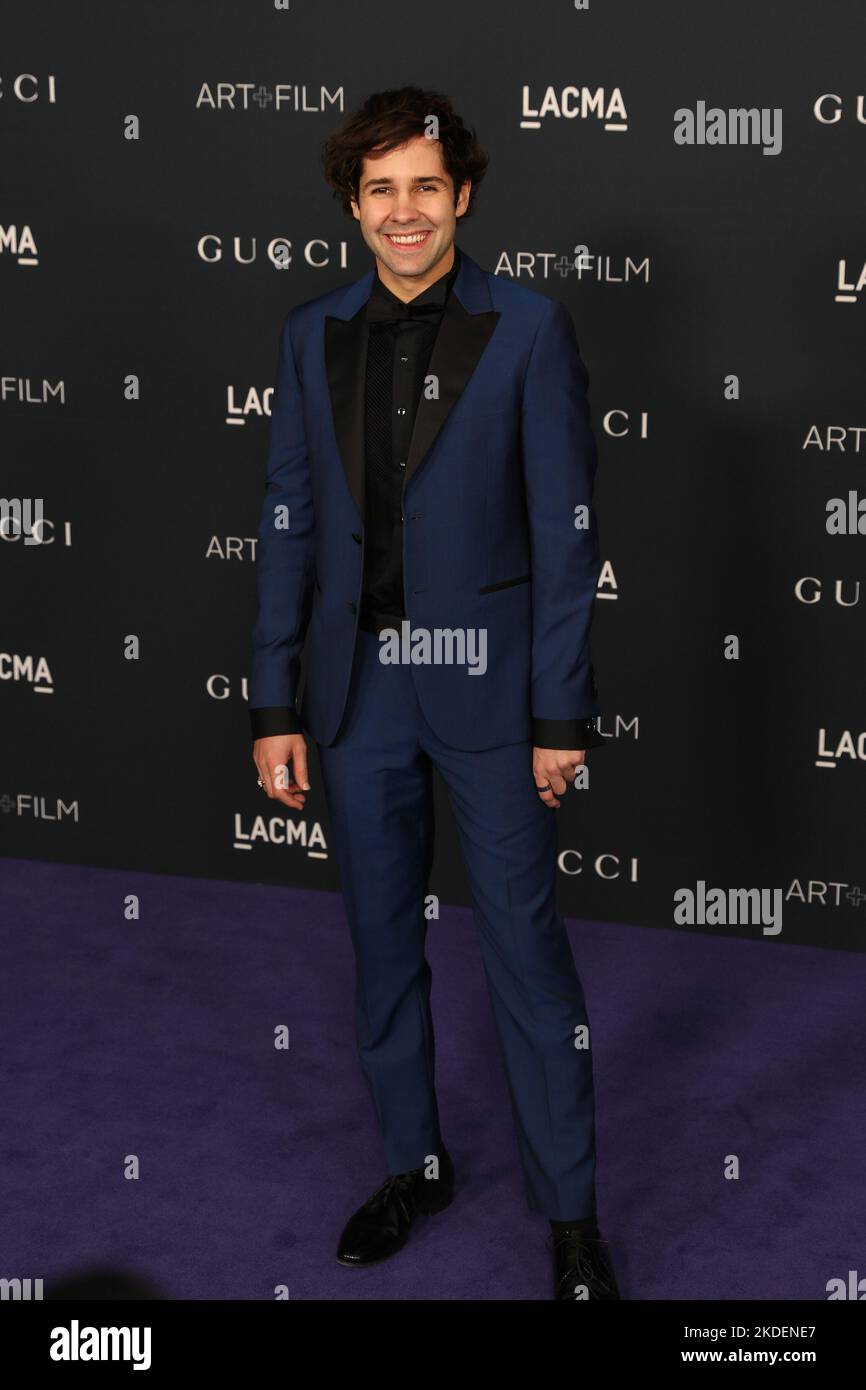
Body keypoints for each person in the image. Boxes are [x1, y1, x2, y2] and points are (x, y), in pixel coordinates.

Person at [248, 85, 619, 1301]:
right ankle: (413, 1165)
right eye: (377, 190)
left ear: (460, 194)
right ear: (352, 207)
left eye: (423, 186)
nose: (401, 212)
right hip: (360, 703)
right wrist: (275, 706)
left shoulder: (528, 327)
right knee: (378, 951)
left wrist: (557, 718)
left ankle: (568, 1219)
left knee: (525, 960)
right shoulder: (311, 332)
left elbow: (569, 543)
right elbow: (290, 529)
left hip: (491, 701)